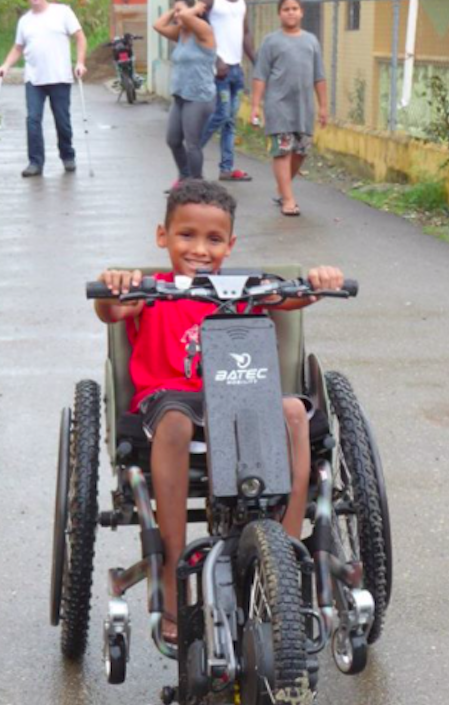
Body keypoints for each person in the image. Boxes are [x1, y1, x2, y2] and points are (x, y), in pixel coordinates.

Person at [93, 180, 343, 639]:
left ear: (231, 244)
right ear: (162, 236)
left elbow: (295, 295)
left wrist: (320, 282)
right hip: (171, 400)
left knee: (291, 411)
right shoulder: (151, 290)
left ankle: (282, 562)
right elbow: (111, 312)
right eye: (186, 235)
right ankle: (169, 574)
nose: (200, 249)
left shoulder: (247, 287)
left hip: (242, 394)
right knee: (174, 421)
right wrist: (115, 286)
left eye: (213, 240)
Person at [0, 0, 87, 178]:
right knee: (33, 120)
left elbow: (80, 37)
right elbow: (18, 47)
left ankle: (67, 156)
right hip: (34, 80)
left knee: (62, 121)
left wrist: (80, 62)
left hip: (60, 78)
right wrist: (5, 65)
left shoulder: (62, 12)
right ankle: (35, 162)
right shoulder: (24, 21)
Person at [250, 0, 327, 217]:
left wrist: (323, 106)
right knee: (282, 152)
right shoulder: (271, 41)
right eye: (286, 9)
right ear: (279, 14)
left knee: (300, 152)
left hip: (304, 108)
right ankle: (289, 199)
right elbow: (260, 76)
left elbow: (319, 77)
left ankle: (282, 188)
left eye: (295, 8)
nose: (291, 12)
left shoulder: (311, 41)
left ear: (301, 12)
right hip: (278, 106)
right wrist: (255, 105)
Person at [200, 0, 256, 182]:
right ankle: (192, 153)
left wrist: (256, 60)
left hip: (237, 69)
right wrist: (216, 59)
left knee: (230, 120)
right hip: (219, 70)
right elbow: (198, 29)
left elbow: (246, 32)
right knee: (222, 114)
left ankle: (226, 168)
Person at [153, 0, 216, 186]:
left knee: (192, 144)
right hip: (180, 95)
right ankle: (185, 176)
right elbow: (157, 25)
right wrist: (175, 10)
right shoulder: (181, 34)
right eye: (175, 12)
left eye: (180, 11)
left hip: (198, 97)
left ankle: (196, 184)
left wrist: (194, 9)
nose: (177, 15)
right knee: (173, 140)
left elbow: (188, 16)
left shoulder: (203, 32)